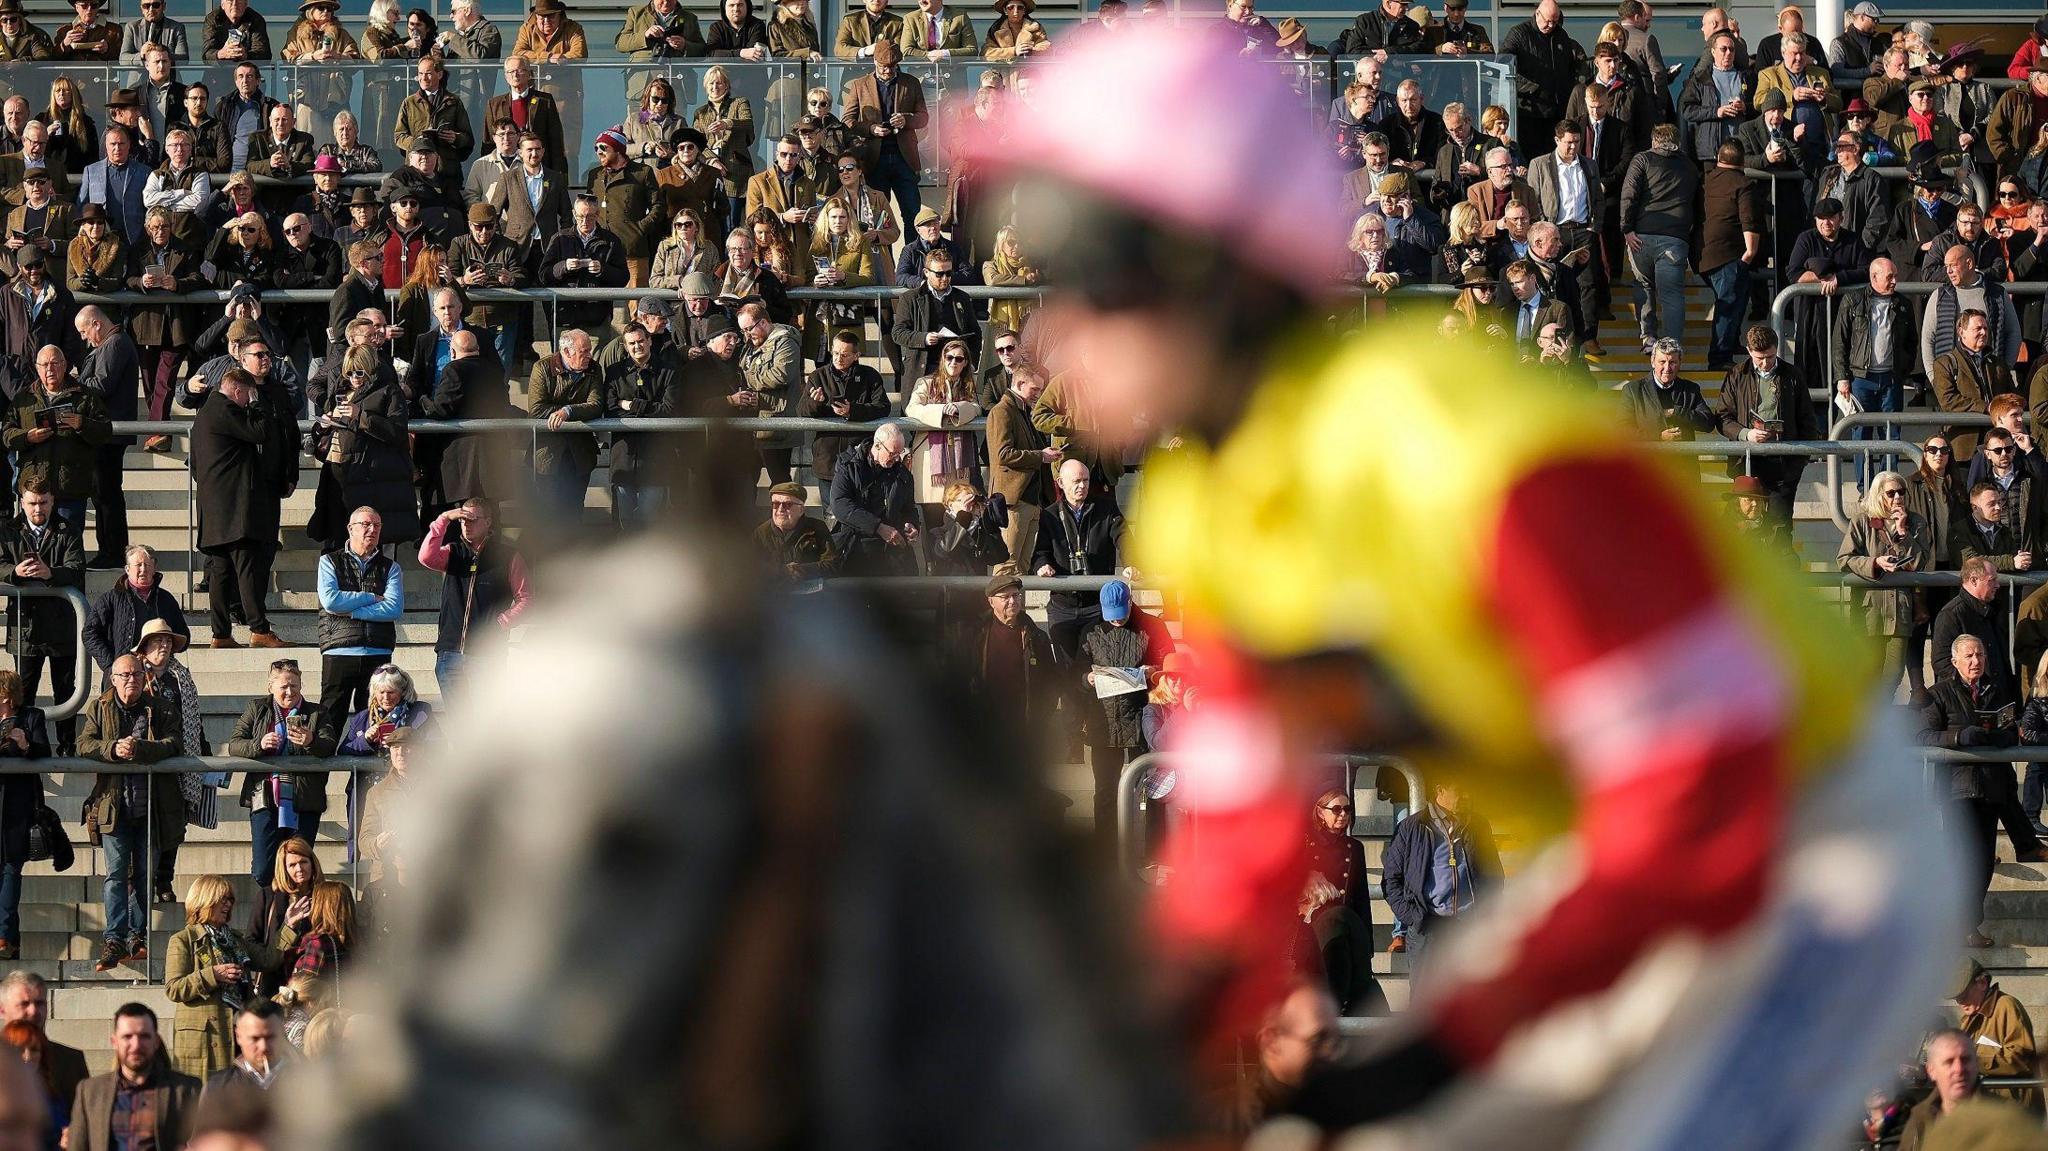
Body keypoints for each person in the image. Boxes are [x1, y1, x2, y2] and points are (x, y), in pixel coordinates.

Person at [967, 24, 1963, 1146]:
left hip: (1814, 841)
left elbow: (1704, 792)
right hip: (1618, 851)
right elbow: (1244, 831)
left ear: (1209, 270)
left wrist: (1457, 1040)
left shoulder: (1459, 448)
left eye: (1090, 282)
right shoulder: (1197, 507)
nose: (1055, 332)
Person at [78, 653, 179, 971]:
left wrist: (142, 749)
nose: (131, 679)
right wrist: (112, 749)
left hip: (151, 806)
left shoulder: (160, 707)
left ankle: (138, 938)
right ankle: (114, 939)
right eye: (124, 674)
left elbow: (175, 743)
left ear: (144, 676)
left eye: (136, 674)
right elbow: (84, 744)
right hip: (114, 807)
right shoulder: (100, 706)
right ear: (113, 678)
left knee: (146, 874)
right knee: (116, 876)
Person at [1924, 633, 2024, 948]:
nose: (1975, 661)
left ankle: (1967, 926)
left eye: (1979, 655)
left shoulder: (1995, 691)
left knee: (1982, 862)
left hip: (1990, 788)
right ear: (1954, 662)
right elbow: (1923, 736)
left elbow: (2011, 731)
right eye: (1968, 656)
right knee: (1961, 860)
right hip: (1956, 790)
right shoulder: (1938, 694)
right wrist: (1959, 738)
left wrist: (1998, 737)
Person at [190, 366, 295, 649]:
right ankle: (259, 629)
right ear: (238, 391)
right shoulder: (225, 409)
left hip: (213, 509)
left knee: (221, 571)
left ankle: (220, 633)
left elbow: (196, 468)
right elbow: (260, 432)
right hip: (236, 508)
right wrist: (259, 404)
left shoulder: (204, 415)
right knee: (246, 568)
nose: (249, 400)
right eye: (247, 394)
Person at [164, 876, 291, 1081]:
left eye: (230, 899)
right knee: (204, 1097)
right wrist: (212, 975)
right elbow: (174, 988)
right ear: (204, 900)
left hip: (238, 1029)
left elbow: (268, 960)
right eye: (222, 899)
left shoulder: (235, 939)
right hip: (205, 1037)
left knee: (237, 1092)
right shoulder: (182, 940)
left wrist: (289, 926)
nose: (228, 904)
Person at [224, 659, 338, 885]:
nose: (289, 691)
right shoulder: (257, 708)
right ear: (271, 687)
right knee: (263, 870)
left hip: (305, 800)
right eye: (284, 686)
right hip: (265, 798)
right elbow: (234, 744)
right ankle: (272, 914)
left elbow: (329, 745)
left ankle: (296, 916)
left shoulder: (317, 712)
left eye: (294, 686)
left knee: (299, 870)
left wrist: (311, 740)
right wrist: (259, 743)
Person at [0, 482, 83, 755]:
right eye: (33, 503)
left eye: (44, 502)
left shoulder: (68, 530)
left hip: (61, 627)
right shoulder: (8, 531)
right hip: (25, 627)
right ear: (21, 501)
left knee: (65, 690)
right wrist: (15, 572)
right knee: (22, 694)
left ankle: (67, 746)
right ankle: (23, 746)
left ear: (53, 501)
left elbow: (76, 569)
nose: (38, 509)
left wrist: (50, 573)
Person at [1380, 779, 1501, 962]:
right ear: (1440, 790)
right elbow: (1391, 879)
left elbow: (1494, 875)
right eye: (1459, 790)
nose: (1466, 796)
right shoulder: (1411, 827)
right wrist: (1413, 917)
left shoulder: (1478, 825)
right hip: (1427, 929)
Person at [417, 500, 529, 695]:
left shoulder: (508, 556)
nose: (466, 524)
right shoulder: (454, 551)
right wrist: (443, 519)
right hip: (450, 652)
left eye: (473, 519)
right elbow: (426, 557)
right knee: (458, 720)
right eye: (462, 519)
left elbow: (527, 598)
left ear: (488, 522)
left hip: (487, 654)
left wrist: (500, 622)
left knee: (484, 721)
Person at [1838, 471, 1936, 693]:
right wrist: (1875, 562)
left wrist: (1903, 533)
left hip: (1899, 608)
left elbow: (1920, 563)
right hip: (1869, 607)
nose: (1897, 497)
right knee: (1867, 674)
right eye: (1891, 493)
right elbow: (1844, 559)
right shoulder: (1862, 520)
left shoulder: (1916, 522)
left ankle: (1876, 719)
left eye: (1901, 492)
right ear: (1878, 495)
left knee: (1892, 676)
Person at [137, 617, 209, 905]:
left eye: (167, 640)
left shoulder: (182, 676)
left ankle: (164, 879)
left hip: (180, 759)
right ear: (145, 646)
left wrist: (202, 749)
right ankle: (141, 882)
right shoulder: (134, 673)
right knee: (144, 824)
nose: (164, 645)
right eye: (158, 640)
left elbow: (194, 718)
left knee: (175, 825)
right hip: (146, 761)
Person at [1298, 786, 1382, 1017]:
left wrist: (1368, 946)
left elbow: (1361, 897)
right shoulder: (1302, 845)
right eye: (1336, 809)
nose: (1343, 815)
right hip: (1309, 927)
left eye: (1347, 809)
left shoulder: (1354, 847)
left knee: (1355, 977)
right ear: (1320, 812)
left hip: (1346, 925)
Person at [68, 1004, 199, 1151]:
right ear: (114, 1042)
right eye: (127, 1037)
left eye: (144, 1036)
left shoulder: (188, 1090)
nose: (136, 1045)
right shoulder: (90, 1092)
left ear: (156, 1042)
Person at [317, 507, 403, 727]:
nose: (372, 530)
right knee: (330, 720)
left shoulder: (391, 567)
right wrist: (372, 597)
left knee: (374, 721)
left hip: (378, 650)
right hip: (339, 649)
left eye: (377, 525)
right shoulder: (329, 561)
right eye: (366, 524)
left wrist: (353, 610)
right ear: (350, 528)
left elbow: (393, 609)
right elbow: (331, 602)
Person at [1031, 458, 1124, 658]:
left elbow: (1124, 539)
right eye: (1076, 481)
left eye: (1086, 480)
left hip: (1096, 604)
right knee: (1066, 669)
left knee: (1094, 666)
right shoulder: (1050, 515)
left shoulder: (1107, 509)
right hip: (1062, 604)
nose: (1082, 486)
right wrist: (1042, 565)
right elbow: (1040, 552)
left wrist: (1133, 562)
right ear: (1061, 483)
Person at [1619, 122, 1697, 351]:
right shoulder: (1690, 167)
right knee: (1672, 295)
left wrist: (1626, 228)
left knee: (1643, 285)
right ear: (1678, 142)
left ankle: (1648, 338)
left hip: (1641, 236)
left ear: (1654, 141)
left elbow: (1629, 194)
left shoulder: (1642, 160)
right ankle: (1672, 345)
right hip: (1675, 239)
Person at [1231, 982, 1340, 1133]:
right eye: (1318, 1040)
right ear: (1270, 1041)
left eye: (1336, 1040)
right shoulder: (1229, 1125)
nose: (1331, 1053)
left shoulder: (1345, 1114)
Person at [603, 323, 682, 528]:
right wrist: (649, 409)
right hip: (623, 458)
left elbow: (669, 410)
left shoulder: (668, 371)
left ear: (649, 341)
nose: (637, 346)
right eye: (632, 343)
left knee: (651, 525)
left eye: (640, 341)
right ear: (625, 346)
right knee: (624, 525)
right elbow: (611, 409)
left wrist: (630, 404)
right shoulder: (614, 372)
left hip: (656, 460)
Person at [1949, 958, 2041, 1114]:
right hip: (1989, 1112)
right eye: (1956, 997)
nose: (1960, 1001)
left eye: (1963, 994)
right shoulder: (1969, 1017)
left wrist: (1971, 1059)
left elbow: (2022, 1059)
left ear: (1983, 983)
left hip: (2013, 1115)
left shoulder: (2006, 1006)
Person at [829, 422, 919, 576]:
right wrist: (878, 527)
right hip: (856, 544)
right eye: (892, 453)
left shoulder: (902, 473)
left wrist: (913, 525)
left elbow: (909, 508)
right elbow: (840, 504)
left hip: (891, 550)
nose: (896, 458)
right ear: (877, 446)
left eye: (900, 453)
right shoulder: (849, 465)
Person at [0, 675, 46, 962]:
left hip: (18, 806)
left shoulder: (31, 717)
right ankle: (10, 942)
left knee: (9, 870)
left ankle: (3, 935)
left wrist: (26, 744)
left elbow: (45, 752)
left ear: (7, 697)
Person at [0, 973, 85, 1126]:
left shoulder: (71, 1061)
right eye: (24, 1004)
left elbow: (85, 1122)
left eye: (39, 1003)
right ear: (2, 1010)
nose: (33, 1011)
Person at [202, 1002, 287, 1100]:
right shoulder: (218, 1088)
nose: (263, 1046)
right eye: (255, 1038)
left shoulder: (304, 1084)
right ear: (238, 1036)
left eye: (271, 1037)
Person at [754, 481, 836, 581]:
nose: (780, 509)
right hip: (773, 592)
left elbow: (832, 565)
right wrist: (783, 571)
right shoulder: (761, 532)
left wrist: (801, 570)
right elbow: (750, 568)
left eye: (787, 504)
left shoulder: (817, 528)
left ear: (801, 510)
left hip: (811, 591)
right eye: (775, 504)